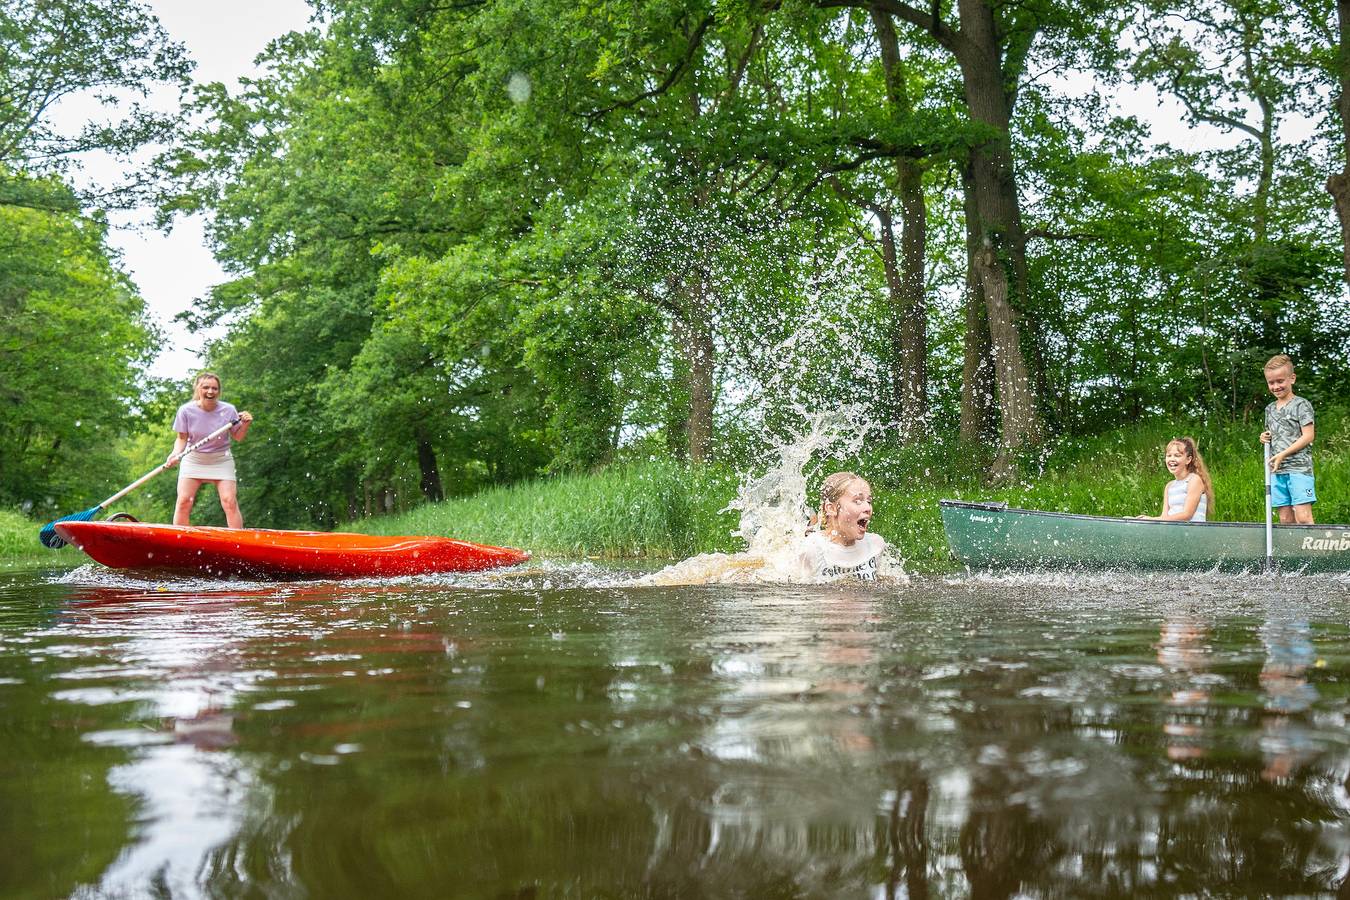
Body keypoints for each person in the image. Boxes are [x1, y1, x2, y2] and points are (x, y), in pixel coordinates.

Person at [165, 372, 253, 528]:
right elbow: (182, 439)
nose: (210, 392)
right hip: (194, 459)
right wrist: (175, 454)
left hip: (221, 459)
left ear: (219, 391)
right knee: (184, 501)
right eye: (206, 387)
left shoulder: (229, 410)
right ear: (198, 389)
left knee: (229, 501)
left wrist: (245, 424)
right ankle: (180, 541)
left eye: (214, 388)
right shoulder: (185, 411)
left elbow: (238, 437)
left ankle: (237, 542)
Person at [1259, 354, 1315, 525]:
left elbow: (1308, 435)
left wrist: (1283, 454)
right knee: (1285, 519)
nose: (1276, 386)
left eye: (1280, 381)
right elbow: (1272, 434)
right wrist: (1264, 437)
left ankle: (1312, 551)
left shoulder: (1301, 404)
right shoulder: (1270, 409)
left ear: (1292, 378)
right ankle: (1291, 552)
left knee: (1303, 517)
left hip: (1299, 468)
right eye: (1271, 382)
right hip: (1277, 470)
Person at [799, 471, 886, 581]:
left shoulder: (875, 546)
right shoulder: (813, 549)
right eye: (858, 501)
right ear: (832, 508)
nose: (868, 508)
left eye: (868, 501)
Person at [1141, 436, 1213, 522]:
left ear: (1188, 460)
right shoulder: (1169, 486)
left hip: (1192, 532)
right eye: (1169, 455)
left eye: (1177, 456)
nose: (1172, 459)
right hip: (1175, 531)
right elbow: (1164, 517)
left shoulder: (1194, 480)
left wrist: (1151, 519)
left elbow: (1187, 515)